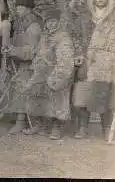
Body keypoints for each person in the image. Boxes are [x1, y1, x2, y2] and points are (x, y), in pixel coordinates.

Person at [72, 0, 115, 139]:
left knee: (107, 96)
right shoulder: (84, 16)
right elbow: (76, 36)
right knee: (82, 94)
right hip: (88, 61)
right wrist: (79, 54)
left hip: (109, 62)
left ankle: (107, 128)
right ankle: (82, 127)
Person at [24, 8, 75, 139]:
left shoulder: (63, 37)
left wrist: (58, 76)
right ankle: (38, 124)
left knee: (57, 98)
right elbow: (38, 53)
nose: (51, 24)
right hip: (42, 71)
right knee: (34, 93)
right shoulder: (44, 36)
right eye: (48, 22)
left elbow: (65, 59)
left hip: (58, 71)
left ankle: (56, 128)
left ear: (58, 22)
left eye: (53, 21)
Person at [0, 0, 43, 135]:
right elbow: (16, 42)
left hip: (31, 66)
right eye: (17, 7)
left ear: (28, 8)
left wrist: (13, 51)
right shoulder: (20, 24)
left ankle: (35, 123)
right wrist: (8, 47)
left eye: (20, 7)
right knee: (19, 92)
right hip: (21, 64)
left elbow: (32, 51)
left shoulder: (34, 27)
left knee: (28, 94)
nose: (17, 10)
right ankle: (20, 121)